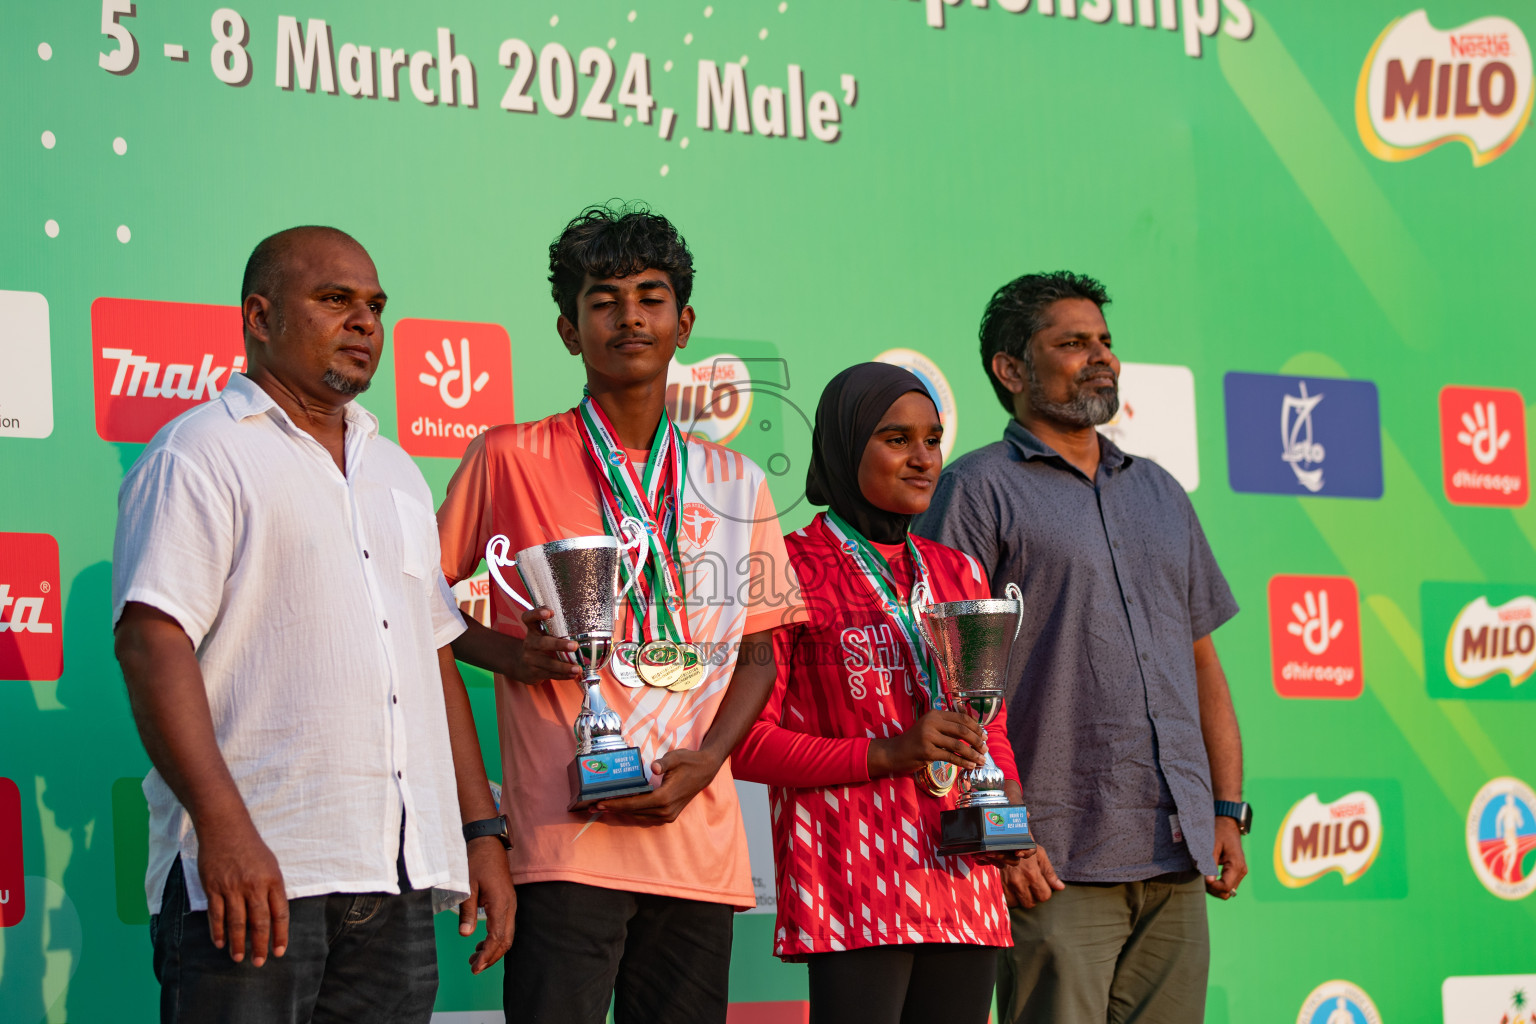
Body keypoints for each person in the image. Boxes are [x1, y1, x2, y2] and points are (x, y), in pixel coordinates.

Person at [112, 226, 515, 1024]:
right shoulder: (200, 454)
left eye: (374, 306)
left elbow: (433, 657)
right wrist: (225, 831)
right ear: (260, 317)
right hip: (256, 876)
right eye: (335, 300)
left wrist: (480, 832)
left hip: (395, 875)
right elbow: (151, 644)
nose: (365, 322)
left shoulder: (395, 469)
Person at [436, 202, 806, 1024]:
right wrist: (510, 654)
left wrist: (708, 763)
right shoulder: (508, 457)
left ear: (684, 324)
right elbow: (409, 608)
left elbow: (758, 658)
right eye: (603, 300)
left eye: (650, 296)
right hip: (563, 842)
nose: (629, 316)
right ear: (570, 330)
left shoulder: (737, 480)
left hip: (698, 844)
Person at [915, 271, 1249, 1024]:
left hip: (1175, 850)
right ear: (1010, 369)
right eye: (1071, 343)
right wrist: (1000, 827)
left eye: (1104, 341)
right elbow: (941, 677)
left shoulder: (1161, 492)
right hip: (1053, 860)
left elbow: (1202, 664)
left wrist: (1226, 807)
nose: (1099, 356)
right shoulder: (975, 492)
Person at [732, 363, 1031, 1024]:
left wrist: (1007, 809)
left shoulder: (957, 568)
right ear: (844, 446)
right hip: (851, 878)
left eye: (932, 439)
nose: (923, 458)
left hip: (961, 876)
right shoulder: (783, 565)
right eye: (897, 439)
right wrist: (887, 753)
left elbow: (991, 718)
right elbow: (747, 745)